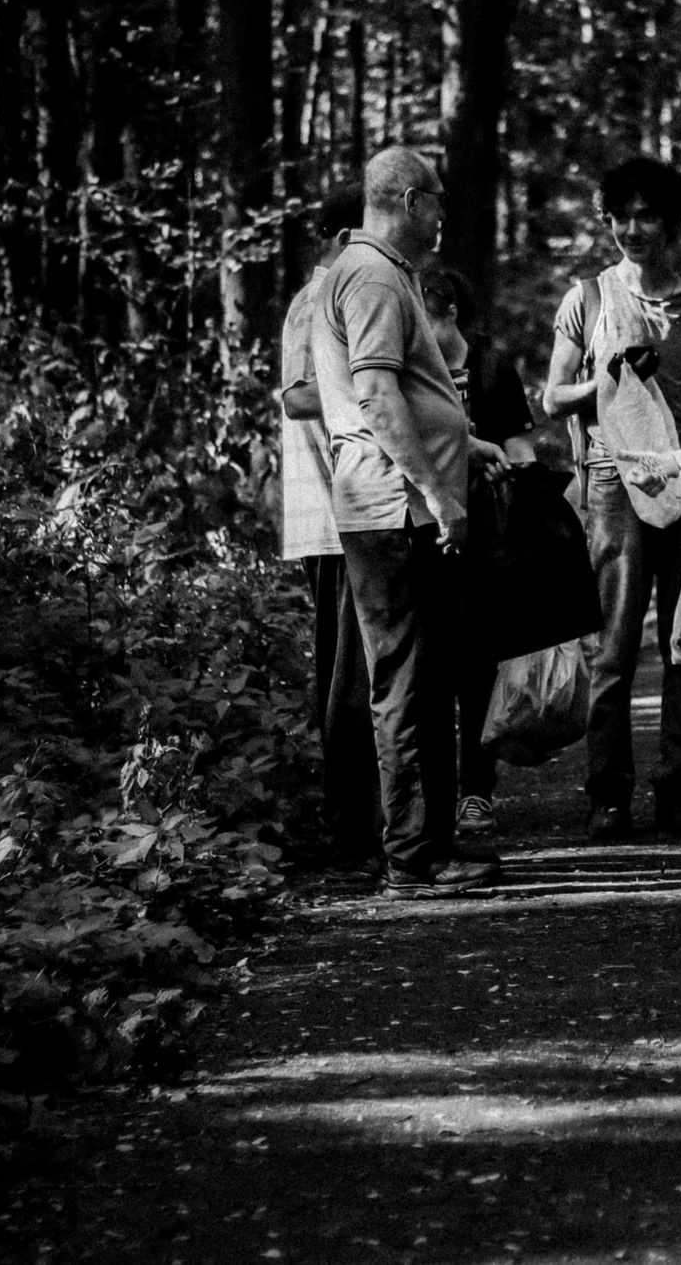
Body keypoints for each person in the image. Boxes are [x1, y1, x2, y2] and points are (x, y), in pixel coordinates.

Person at [312, 146, 507, 896]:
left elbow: (408, 398)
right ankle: (413, 857)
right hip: (393, 510)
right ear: (403, 198)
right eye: (435, 199)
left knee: (425, 677)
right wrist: (436, 489)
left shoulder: (381, 273)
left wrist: (466, 441)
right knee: (406, 682)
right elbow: (379, 399)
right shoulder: (368, 275)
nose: (442, 215)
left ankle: (430, 844)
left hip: (396, 502)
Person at [541, 156, 681, 841]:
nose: (633, 228)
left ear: (671, 221)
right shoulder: (586, 298)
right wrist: (607, 379)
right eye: (622, 215)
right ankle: (607, 796)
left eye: (648, 215)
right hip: (613, 479)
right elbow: (552, 395)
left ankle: (677, 789)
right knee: (613, 646)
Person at [279, 190, 380, 873]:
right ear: (343, 234)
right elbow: (294, 393)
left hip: (354, 510)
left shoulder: (343, 290)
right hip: (331, 513)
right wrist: (369, 382)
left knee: (362, 673)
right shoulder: (319, 296)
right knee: (347, 679)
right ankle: (350, 834)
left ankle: (364, 825)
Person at [418, 264, 539, 836]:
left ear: (447, 311)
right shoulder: (413, 373)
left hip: (488, 540)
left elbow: (521, 447)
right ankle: (432, 792)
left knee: (478, 669)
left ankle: (475, 791)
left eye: (422, 316)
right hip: (425, 531)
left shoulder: (490, 368)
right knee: (431, 668)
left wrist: (521, 493)